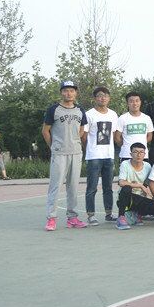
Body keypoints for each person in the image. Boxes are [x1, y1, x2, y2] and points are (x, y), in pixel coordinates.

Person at [42, 80, 87, 231]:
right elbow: (45, 131)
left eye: (72, 90)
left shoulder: (80, 110)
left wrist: (75, 141)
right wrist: (53, 146)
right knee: (55, 186)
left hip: (76, 152)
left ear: (76, 93)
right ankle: (51, 218)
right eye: (66, 90)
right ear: (61, 92)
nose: (69, 93)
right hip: (60, 153)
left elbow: (82, 129)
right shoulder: (53, 109)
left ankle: (72, 218)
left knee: (73, 187)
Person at [83, 86, 118, 225]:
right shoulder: (89, 114)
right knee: (92, 187)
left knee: (108, 187)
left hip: (108, 156)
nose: (102, 98)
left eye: (105, 96)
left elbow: (114, 135)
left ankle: (109, 213)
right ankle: (91, 215)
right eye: (99, 95)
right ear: (95, 98)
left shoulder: (113, 114)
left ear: (109, 98)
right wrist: (89, 150)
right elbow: (84, 136)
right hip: (93, 156)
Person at [115, 142, 154, 230]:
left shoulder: (147, 166)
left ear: (144, 154)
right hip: (126, 198)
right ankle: (121, 217)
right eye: (135, 152)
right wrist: (140, 185)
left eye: (141, 152)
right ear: (131, 154)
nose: (139, 155)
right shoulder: (125, 164)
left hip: (139, 198)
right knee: (126, 188)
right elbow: (121, 182)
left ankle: (137, 213)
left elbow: (149, 183)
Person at [115, 92, 154, 161]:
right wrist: (126, 146)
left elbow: (150, 136)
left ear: (140, 102)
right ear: (127, 103)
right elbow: (117, 137)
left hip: (143, 155)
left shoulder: (146, 118)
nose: (135, 103)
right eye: (131, 101)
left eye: (137, 101)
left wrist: (140, 146)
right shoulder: (122, 118)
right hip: (126, 155)